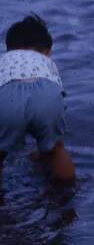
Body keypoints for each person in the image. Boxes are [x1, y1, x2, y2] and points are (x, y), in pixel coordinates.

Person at [0, 14, 75, 182]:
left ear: (9, 49)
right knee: (56, 147)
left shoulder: (5, 60)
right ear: (48, 51)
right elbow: (54, 91)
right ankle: (67, 192)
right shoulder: (46, 61)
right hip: (46, 96)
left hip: (7, 98)